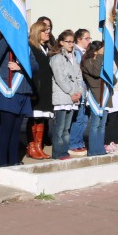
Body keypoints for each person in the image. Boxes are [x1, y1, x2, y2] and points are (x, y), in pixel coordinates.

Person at [0, 31, 38, 167]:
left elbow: (35, 66)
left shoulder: (25, 47)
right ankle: (2, 162)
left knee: (16, 130)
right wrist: (7, 39)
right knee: (6, 130)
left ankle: (13, 160)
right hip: (8, 91)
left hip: (23, 91)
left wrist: (20, 67)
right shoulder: (1, 43)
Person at [49, 30, 84, 160]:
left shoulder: (73, 58)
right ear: (61, 42)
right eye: (68, 41)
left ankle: (64, 151)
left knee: (66, 128)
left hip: (73, 97)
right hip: (62, 97)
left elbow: (78, 76)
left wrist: (79, 91)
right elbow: (60, 78)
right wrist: (71, 92)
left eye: (72, 42)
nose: (71, 44)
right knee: (59, 127)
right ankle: (58, 152)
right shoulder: (57, 58)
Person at [28, 21, 54, 159]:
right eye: (45, 30)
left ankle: (39, 146)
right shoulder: (31, 47)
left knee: (43, 118)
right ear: (38, 32)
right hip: (36, 88)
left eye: (48, 30)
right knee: (34, 117)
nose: (48, 32)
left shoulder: (47, 48)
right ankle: (31, 147)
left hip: (46, 88)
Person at [67, 29, 92, 155]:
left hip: (87, 90)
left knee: (85, 118)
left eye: (90, 38)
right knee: (78, 118)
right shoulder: (75, 52)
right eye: (87, 38)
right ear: (79, 39)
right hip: (79, 89)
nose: (89, 41)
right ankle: (73, 143)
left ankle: (80, 142)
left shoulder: (86, 52)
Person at [81, 40, 107, 156]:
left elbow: (112, 79)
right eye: (102, 49)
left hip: (105, 95)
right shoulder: (88, 61)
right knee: (95, 124)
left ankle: (100, 149)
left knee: (102, 125)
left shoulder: (103, 61)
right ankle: (93, 150)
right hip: (96, 95)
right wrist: (100, 56)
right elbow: (96, 73)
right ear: (96, 50)